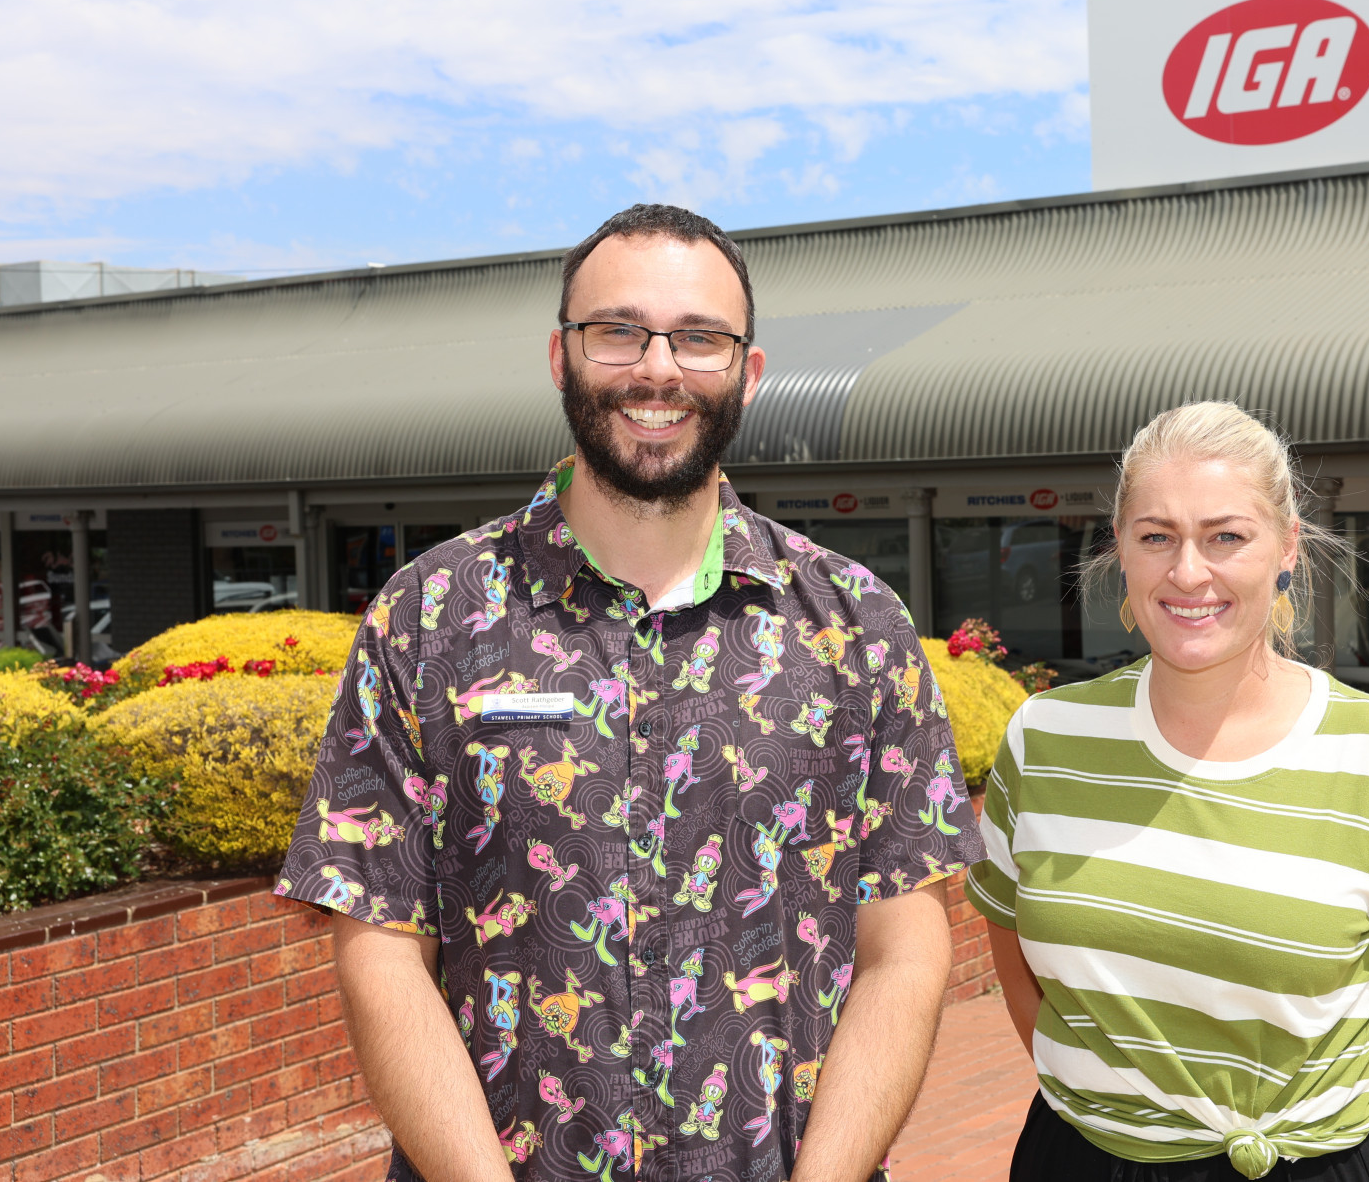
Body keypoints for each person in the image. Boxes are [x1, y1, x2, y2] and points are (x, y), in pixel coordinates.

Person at [275, 204, 982, 1182]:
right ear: (560, 358)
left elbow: (905, 946)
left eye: (699, 338)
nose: (657, 369)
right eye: (618, 331)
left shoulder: (855, 626)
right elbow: (382, 947)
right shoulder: (427, 617)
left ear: (748, 370)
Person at [968, 401, 1369, 1182]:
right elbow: (1020, 969)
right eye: (1157, 536)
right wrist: (1115, 1111)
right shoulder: (1045, 737)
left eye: (1226, 536)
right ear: (1120, 546)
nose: (1189, 572)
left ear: (1286, 546)